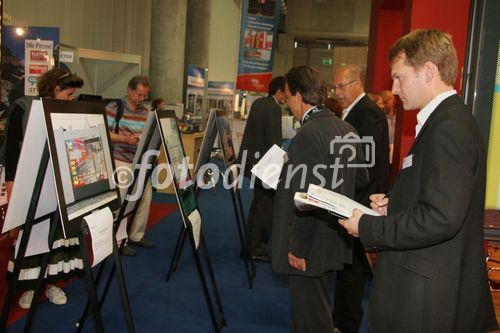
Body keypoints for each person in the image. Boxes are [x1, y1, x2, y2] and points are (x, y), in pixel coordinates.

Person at [338, 29, 498, 332]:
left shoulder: (450, 127)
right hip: (423, 286)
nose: (395, 88)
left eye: (400, 77)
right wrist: (394, 205)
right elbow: (438, 198)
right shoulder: (445, 121)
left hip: (426, 297)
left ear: (428, 71)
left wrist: (369, 226)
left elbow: (441, 217)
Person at [272, 65, 368, 332]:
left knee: (311, 321)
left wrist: (298, 247)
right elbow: (361, 180)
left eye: (289, 96)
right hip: (332, 238)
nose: (288, 103)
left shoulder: (307, 135)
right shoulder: (347, 128)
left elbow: (306, 201)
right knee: (316, 312)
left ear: (300, 96)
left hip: (308, 246)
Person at [3, 68, 84, 309]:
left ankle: (50, 284)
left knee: (56, 238)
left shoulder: (67, 113)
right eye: (68, 94)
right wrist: (12, 200)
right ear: (55, 89)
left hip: (59, 188)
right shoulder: (22, 108)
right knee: (32, 238)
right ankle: (29, 287)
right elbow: (10, 156)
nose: (71, 100)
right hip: (30, 188)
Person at [332, 64, 390, 333]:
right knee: (346, 267)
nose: (337, 92)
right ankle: (342, 319)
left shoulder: (368, 114)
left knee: (352, 269)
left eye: (340, 87)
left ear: (357, 84)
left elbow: (363, 167)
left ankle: (346, 323)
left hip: (359, 203)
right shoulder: (357, 111)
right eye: (335, 87)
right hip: (352, 201)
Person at [237, 76, 286, 262]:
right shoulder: (274, 107)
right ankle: (256, 248)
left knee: (257, 206)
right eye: (285, 93)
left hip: (252, 161)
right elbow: (274, 140)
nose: (286, 98)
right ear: (279, 91)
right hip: (266, 165)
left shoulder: (258, 103)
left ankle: (249, 246)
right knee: (265, 208)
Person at [106, 75, 154, 257]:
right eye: (139, 94)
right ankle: (118, 241)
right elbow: (103, 131)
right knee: (123, 203)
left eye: (144, 95)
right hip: (120, 160)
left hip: (140, 162)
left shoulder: (145, 112)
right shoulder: (114, 108)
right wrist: (124, 139)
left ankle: (136, 235)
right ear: (130, 90)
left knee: (144, 199)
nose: (141, 99)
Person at [381, 89, 396, 164]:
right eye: (382, 103)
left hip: (395, 158)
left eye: (385, 102)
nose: (383, 106)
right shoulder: (380, 119)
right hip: (384, 157)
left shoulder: (398, 119)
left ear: (393, 102)